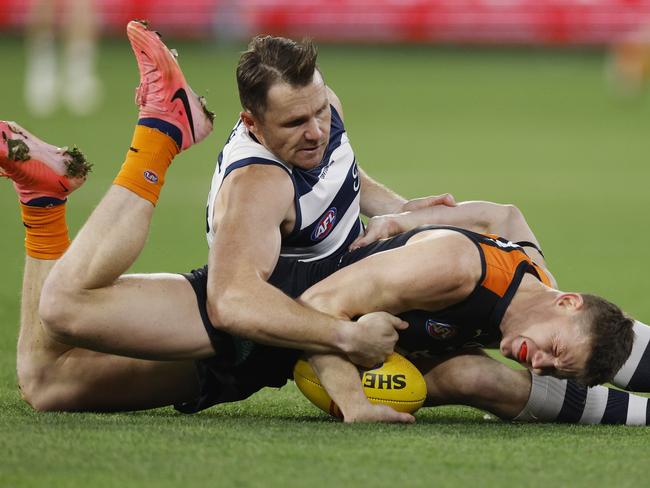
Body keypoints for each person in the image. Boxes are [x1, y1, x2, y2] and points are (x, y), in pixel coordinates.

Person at [4, 21, 650, 424]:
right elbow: (236, 301)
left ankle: (44, 201)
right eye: (294, 124)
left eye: (319, 114)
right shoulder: (256, 185)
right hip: (250, 313)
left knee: (46, 383)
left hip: (273, 340)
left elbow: (493, 214)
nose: (316, 130)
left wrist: (397, 209)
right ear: (254, 124)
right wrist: (351, 372)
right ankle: (163, 132)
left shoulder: (321, 107)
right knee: (64, 312)